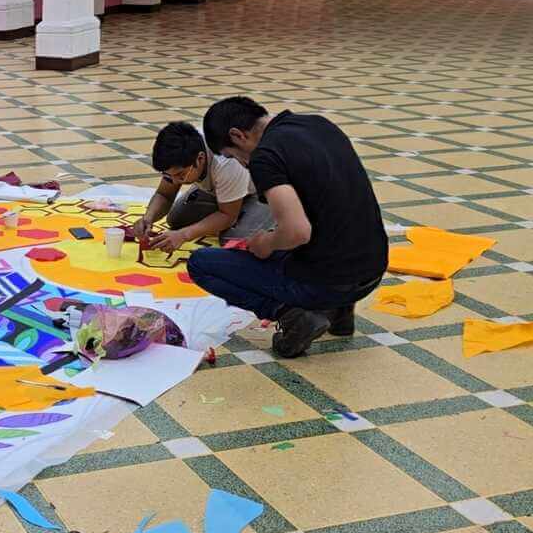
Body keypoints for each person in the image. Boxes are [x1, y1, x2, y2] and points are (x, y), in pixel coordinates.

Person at [188, 96, 388, 358]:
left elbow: (297, 232)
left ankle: (293, 317)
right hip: (372, 268)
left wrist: (265, 243)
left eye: (232, 156)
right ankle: (340, 312)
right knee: (325, 228)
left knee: (202, 264)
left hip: (332, 280)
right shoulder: (318, 124)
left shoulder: (264, 156)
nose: (241, 164)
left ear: (237, 135)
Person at [130, 121, 273, 253]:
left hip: (266, 189)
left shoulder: (227, 163)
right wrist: (148, 219)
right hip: (227, 187)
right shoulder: (183, 151)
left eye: (180, 175)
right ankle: (232, 200)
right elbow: (164, 195)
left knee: (232, 240)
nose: (174, 182)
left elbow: (228, 216)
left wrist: (184, 235)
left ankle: (280, 215)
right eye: (168, 176)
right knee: (177, 220)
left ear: (200, 159)